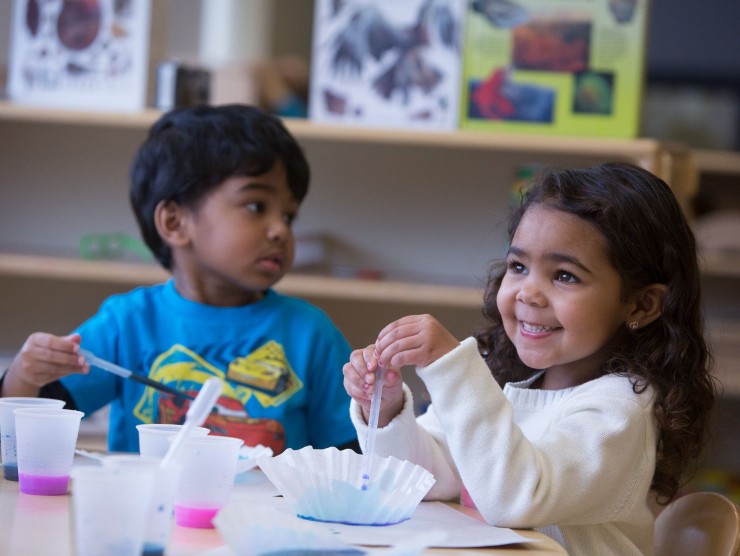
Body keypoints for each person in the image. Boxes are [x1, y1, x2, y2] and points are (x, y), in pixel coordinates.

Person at [342, 163, 716, 555]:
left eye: (565, 276)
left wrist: (450, 365)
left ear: (641, 304)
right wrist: (385, 410)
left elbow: (515, 498)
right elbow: (423, 481)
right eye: (518, 267)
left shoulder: (619, 413)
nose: (528, 293)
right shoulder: (507, 389)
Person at [1, 104, 357, 455]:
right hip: (151, 513)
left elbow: (353, 461)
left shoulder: (311, 333)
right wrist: (25, 375)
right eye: (256, 206)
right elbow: (25, 433)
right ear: (174, 223)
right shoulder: (128, 323)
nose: (281, 229)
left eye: (289, 216)